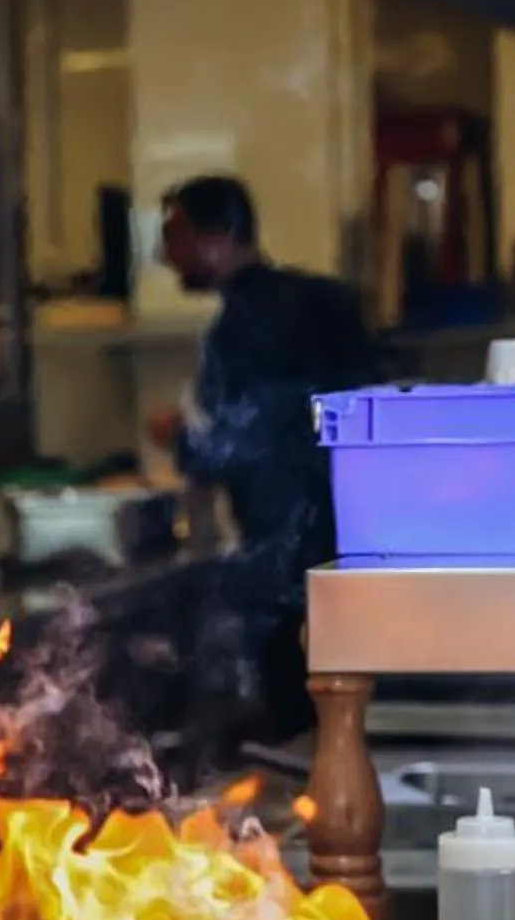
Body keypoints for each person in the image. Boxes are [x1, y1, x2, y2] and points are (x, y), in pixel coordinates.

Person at [154, 175, 382, 733]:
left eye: (175, 236)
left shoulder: (237, 328)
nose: (165, 255)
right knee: (352, 717)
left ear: (220, 236)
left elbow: (237, 446)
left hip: (285, 565)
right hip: (363, 545)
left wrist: (177, 438)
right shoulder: (328, 300)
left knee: (302, 723)